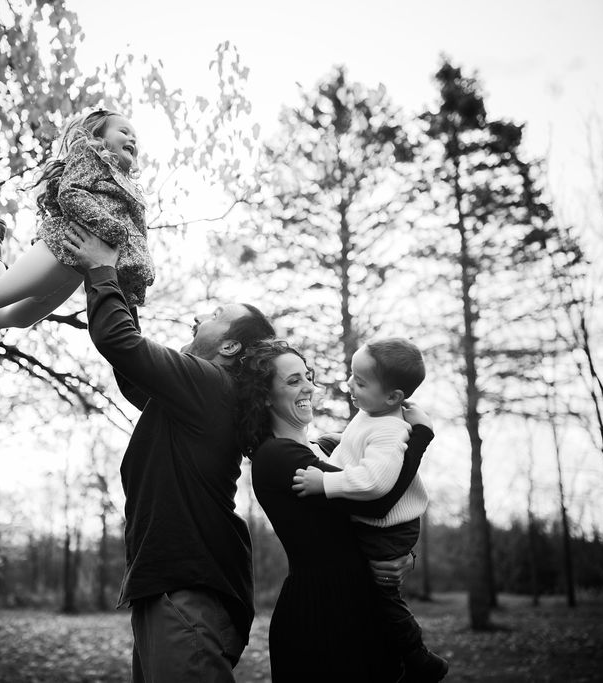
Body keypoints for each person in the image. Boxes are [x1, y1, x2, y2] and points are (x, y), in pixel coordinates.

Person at [59, 223, 273, 681]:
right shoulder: (204, 393)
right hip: (176, 587)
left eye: (215, 314)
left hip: (188, 590)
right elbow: (134, 375)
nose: (198, 318)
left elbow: (121, 344)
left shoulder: (212, 383)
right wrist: (123, 286)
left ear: (230, 345)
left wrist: (102, 271)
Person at [234, 339, 436, 682]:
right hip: (321, 617)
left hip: (363, 611)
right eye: (293, 381)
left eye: (307, 376)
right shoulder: (277, 457)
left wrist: (404, 556)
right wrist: (421, 436)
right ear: (265, 396)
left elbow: (380, 498)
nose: (308, 387)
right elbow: (378, 502)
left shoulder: (328, 447)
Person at [0, 107, 153, 351]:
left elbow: (135, 241)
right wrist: (110, 227)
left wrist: (135, 280)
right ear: (99, 136)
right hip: (64, 243)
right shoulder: (90, 155)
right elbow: (70, 192)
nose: (132, 139)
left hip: (80, 265)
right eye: (124, 132)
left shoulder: (130, 190)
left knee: (22, 318)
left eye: (135, 137)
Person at [291, 338, 449, 681]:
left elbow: (375, 483)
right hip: (382, 523)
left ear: (392, 397)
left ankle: (418, 657)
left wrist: (325, 483)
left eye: (360, 382)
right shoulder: (371, 414)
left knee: (382, 594)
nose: (349, 384)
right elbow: (350, 448)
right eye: (352, 375)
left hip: (391, 528)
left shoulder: (390, 430)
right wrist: (321, 447)